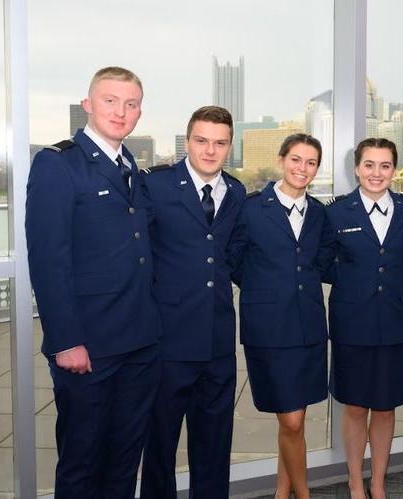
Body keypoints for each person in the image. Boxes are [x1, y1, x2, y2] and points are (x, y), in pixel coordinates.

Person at [26, 66, 161, 498]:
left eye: (131, 103)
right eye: (110, 100)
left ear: (139, 112)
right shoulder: (58, 164)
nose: (121, 112)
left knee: (124, 461)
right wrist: (65, 340)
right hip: (88, 346)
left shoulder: (130, 166)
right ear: (88, 105)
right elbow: (48, 261)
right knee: (82, 463)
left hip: (139, 342)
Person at [139, 106, 246, 499]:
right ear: (188, 141)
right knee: (160, 445)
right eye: (202, 141)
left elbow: (232, 256)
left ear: (229, 146)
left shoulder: (235, 192)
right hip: (168, 341)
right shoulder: (155, 186)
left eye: (220, 143)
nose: (210, 150)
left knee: (215, 446)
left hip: (218, 343)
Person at [227, 134, 328, 499]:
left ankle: (282, 491)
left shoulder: (319, 213)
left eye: (311, 162)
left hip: (308, 326)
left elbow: (324, 260)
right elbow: (234, 261)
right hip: (269, 328)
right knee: (292, 419)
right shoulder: (251, 208)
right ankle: (304, 494)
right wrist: (267, 291)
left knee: (293, 421)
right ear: (282, 159)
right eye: (296, 160)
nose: (302, 169)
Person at [318, 138, 403, 499]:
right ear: (357, 168)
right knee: (356, 405)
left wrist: (391, 276)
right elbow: (322, 261)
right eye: (369, 165)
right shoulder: (336, 213)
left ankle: (378, 481)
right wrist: (356, 281)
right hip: (351, 321)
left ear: (394, 169)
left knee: (386, 406)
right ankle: (355, 481)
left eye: (385, 165)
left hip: (394, 319)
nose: (377, 173)